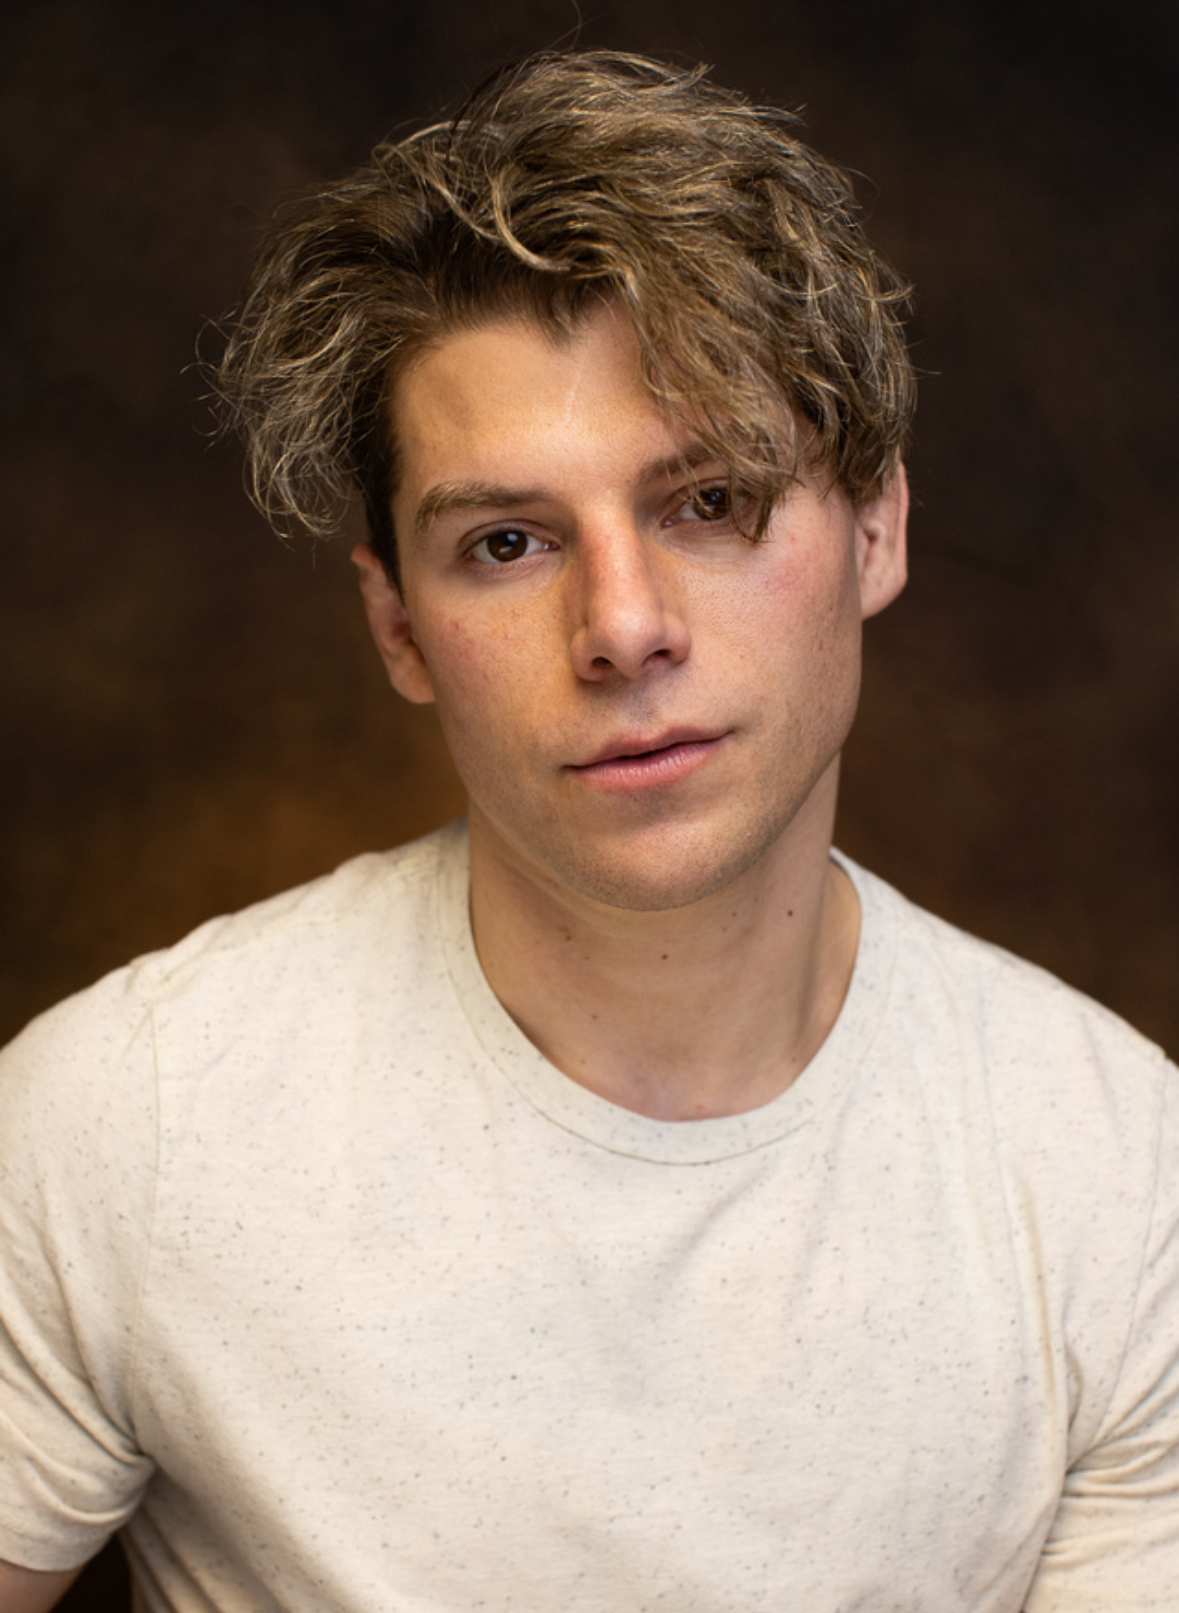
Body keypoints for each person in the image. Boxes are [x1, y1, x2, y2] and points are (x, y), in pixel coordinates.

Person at [1, 48, 1176, 1613]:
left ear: (876, 525)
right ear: (400, 629)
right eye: (505, 541)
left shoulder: (1113, 1173)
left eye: (709, 503)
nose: (621, 628)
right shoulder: (117, 1121)